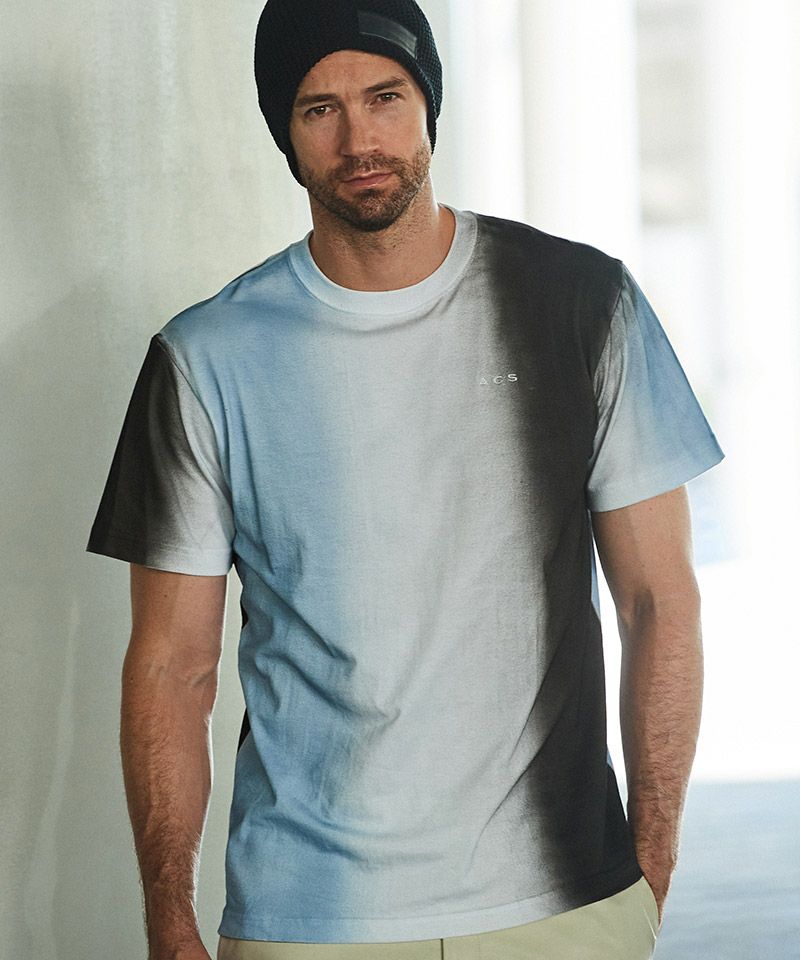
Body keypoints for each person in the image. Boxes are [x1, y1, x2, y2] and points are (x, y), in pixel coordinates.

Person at [86, 1, 725, 958]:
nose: (359, 141)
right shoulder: (206, 358)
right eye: (319, 110)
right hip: (310, 917)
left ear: (429, 103)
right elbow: (173, 666)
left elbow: (658, 602)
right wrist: (169, 920)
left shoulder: (582, 304)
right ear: (284, 133)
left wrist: (652, 861)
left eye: (385, 97)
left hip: (561, 906)